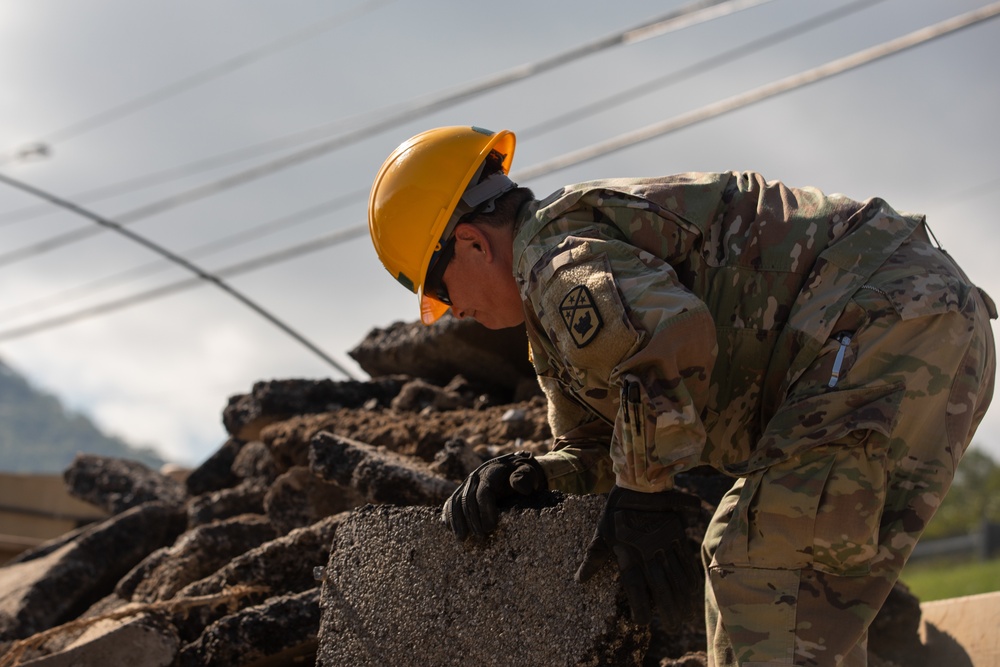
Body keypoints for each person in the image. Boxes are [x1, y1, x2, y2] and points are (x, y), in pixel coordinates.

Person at [366, 125, 996, 666]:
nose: (451, 313)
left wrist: (645, 494)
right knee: (782, 586)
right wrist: (538, 476)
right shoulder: (553, 314)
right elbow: (607, 440)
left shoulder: (560, 264)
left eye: (441, 291)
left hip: (887, 321)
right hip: (907, 328)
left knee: (759, 560)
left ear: (473, 243)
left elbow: (672, 334)